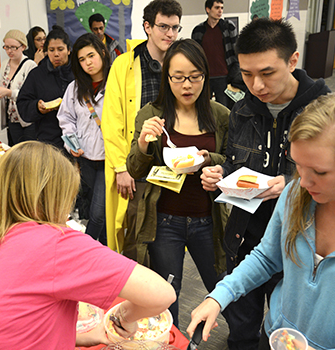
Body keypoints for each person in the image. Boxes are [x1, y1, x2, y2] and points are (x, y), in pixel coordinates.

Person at [188, 94, 335, 350]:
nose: (303, 182)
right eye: (299, 166)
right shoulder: (296, 195)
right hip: (277, 337)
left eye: (320, 172)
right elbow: (267, 256)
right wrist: (220, 296)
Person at [0, 141, 176, 349]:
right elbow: (162, 294)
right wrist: (124, 317)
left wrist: (81, 339)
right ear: (54, 198)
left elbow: (15, 327)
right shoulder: (53, 242)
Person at [199, 18, 330, 350]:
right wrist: (221, 174)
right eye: (246, 74)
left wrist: (290, 182)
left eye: (267, 73)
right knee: (241, 329)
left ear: (293, 61)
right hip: (246, 237)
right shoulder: (242, 111)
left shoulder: (326, 110)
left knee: (287, 331)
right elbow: (235, 163)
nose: (256, 84)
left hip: (300, 242)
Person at [126, 39, 229, 326]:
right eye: (178, 77)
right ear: (166, 77)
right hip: (165, 221)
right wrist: (144, 143)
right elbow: (134, 169)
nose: (187, 85)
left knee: (223, 288)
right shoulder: (151, 115)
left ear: (205, 76)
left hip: (208, 220)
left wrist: (210, 159)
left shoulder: (220, 115)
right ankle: (170, 343)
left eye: (195, 77)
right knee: (168, 296)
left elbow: (234, 162)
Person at [102, 0, 183, 252]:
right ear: (147, 26)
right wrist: (120, 167)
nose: (170, 34)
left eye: (175, 28)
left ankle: (165, 289)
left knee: (170, 237)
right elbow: (112, 120)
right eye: (163, 27)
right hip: (137, 165)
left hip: (173, 165)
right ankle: (135, 291)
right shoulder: (123, 64)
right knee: (136, 239)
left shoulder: (180, 63)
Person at [57, 33, 111, 244]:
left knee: (97, 214)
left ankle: (83, 248)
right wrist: (71, 140)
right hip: (86, 157)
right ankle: (107, 254)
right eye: (82, 59)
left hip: (110, 158)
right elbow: (66, 117)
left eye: (91, 55)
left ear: (102, 54)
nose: (88, 62)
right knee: (99, 211)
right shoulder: (75, 87)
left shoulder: (115, 84)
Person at [17, 25, 74, 150]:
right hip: (49, 140)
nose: (56, 54)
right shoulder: (37, 74)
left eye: (60, 49)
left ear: (69, 50)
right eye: (51, 50)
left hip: (80, 139)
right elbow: (22, 104)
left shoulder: (78, 72)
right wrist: (37, 108)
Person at [191, 0, 243, 108]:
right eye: (217, 8)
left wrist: (236, 71)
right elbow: (194, 55)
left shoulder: (228, 27)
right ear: (208, 9)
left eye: (222, 8)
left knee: (224, 109)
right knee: (204, 107)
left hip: (224, 76)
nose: (220, 11)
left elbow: (236, 51)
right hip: (205, 76)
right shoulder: (198, 30)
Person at [0, 30, 37, 146]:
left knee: (28, 153)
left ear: (23, 47)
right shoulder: (5, 64)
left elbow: (32, 94)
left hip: (27, 119)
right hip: (11, 119)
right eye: (6, 47)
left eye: (14, 47)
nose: (9, 51)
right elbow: (4, 90)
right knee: (14, 152)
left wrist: (9, 92)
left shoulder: (30, 65)